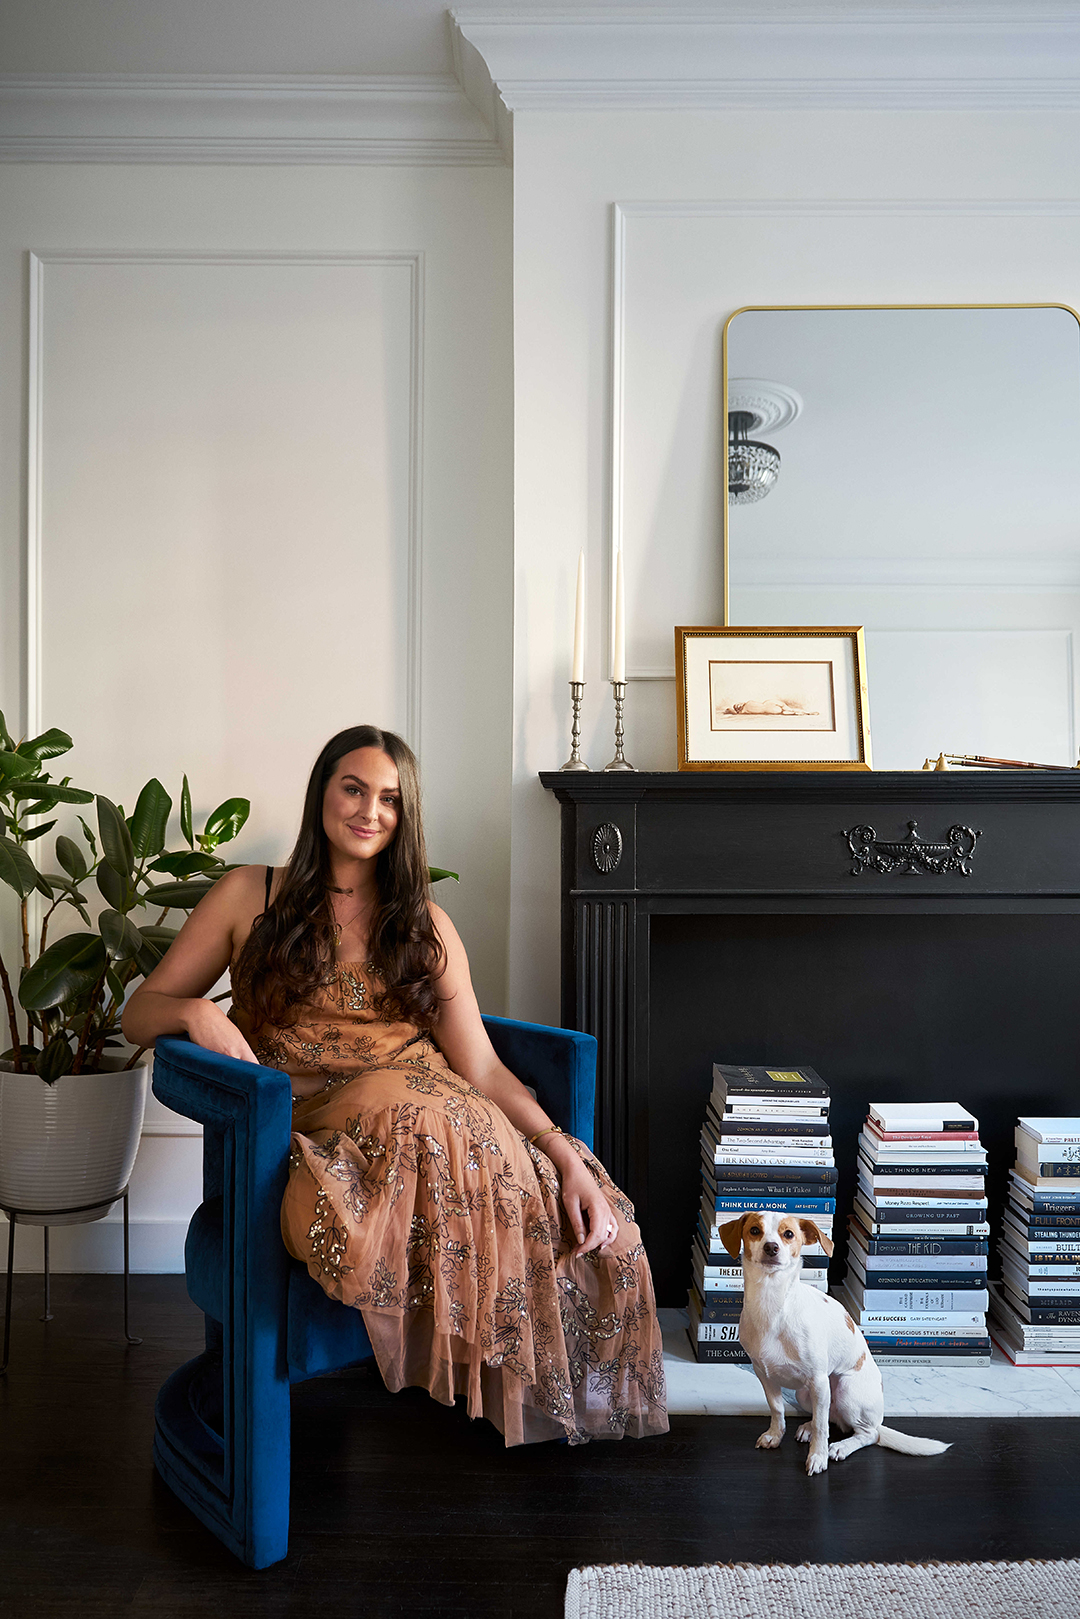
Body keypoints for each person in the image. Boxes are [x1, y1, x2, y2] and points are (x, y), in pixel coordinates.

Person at [123, 725, 668, 1446]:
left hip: (443, 1113)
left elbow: (482, 1069)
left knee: (573, 1209)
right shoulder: (243, 895)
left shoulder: (424, 926)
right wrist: (196, 1013)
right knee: (406, 1118)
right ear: (323, 790)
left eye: (390, 798)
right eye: (354, 788)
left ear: (405, 816)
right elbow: (137, 1014)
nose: (370, 810)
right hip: (317, 1130)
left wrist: (564, 1154)